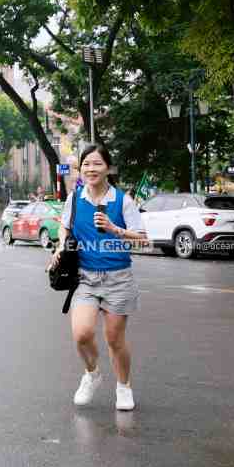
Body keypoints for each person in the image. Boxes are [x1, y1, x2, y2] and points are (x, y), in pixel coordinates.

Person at [49, 144, 147, 412]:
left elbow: (142, 239)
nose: (91, 169)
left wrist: (115, 229)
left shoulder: (123, 201)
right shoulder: (74, 198)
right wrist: (61, 246)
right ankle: (92, 374)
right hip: (85, 278)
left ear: (108, 168)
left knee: (115, 339)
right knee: (82, 334)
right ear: (81, 168)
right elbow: (64, 227)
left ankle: (124, 387)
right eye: (86, 164)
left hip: (118, 278)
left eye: (97, 164)